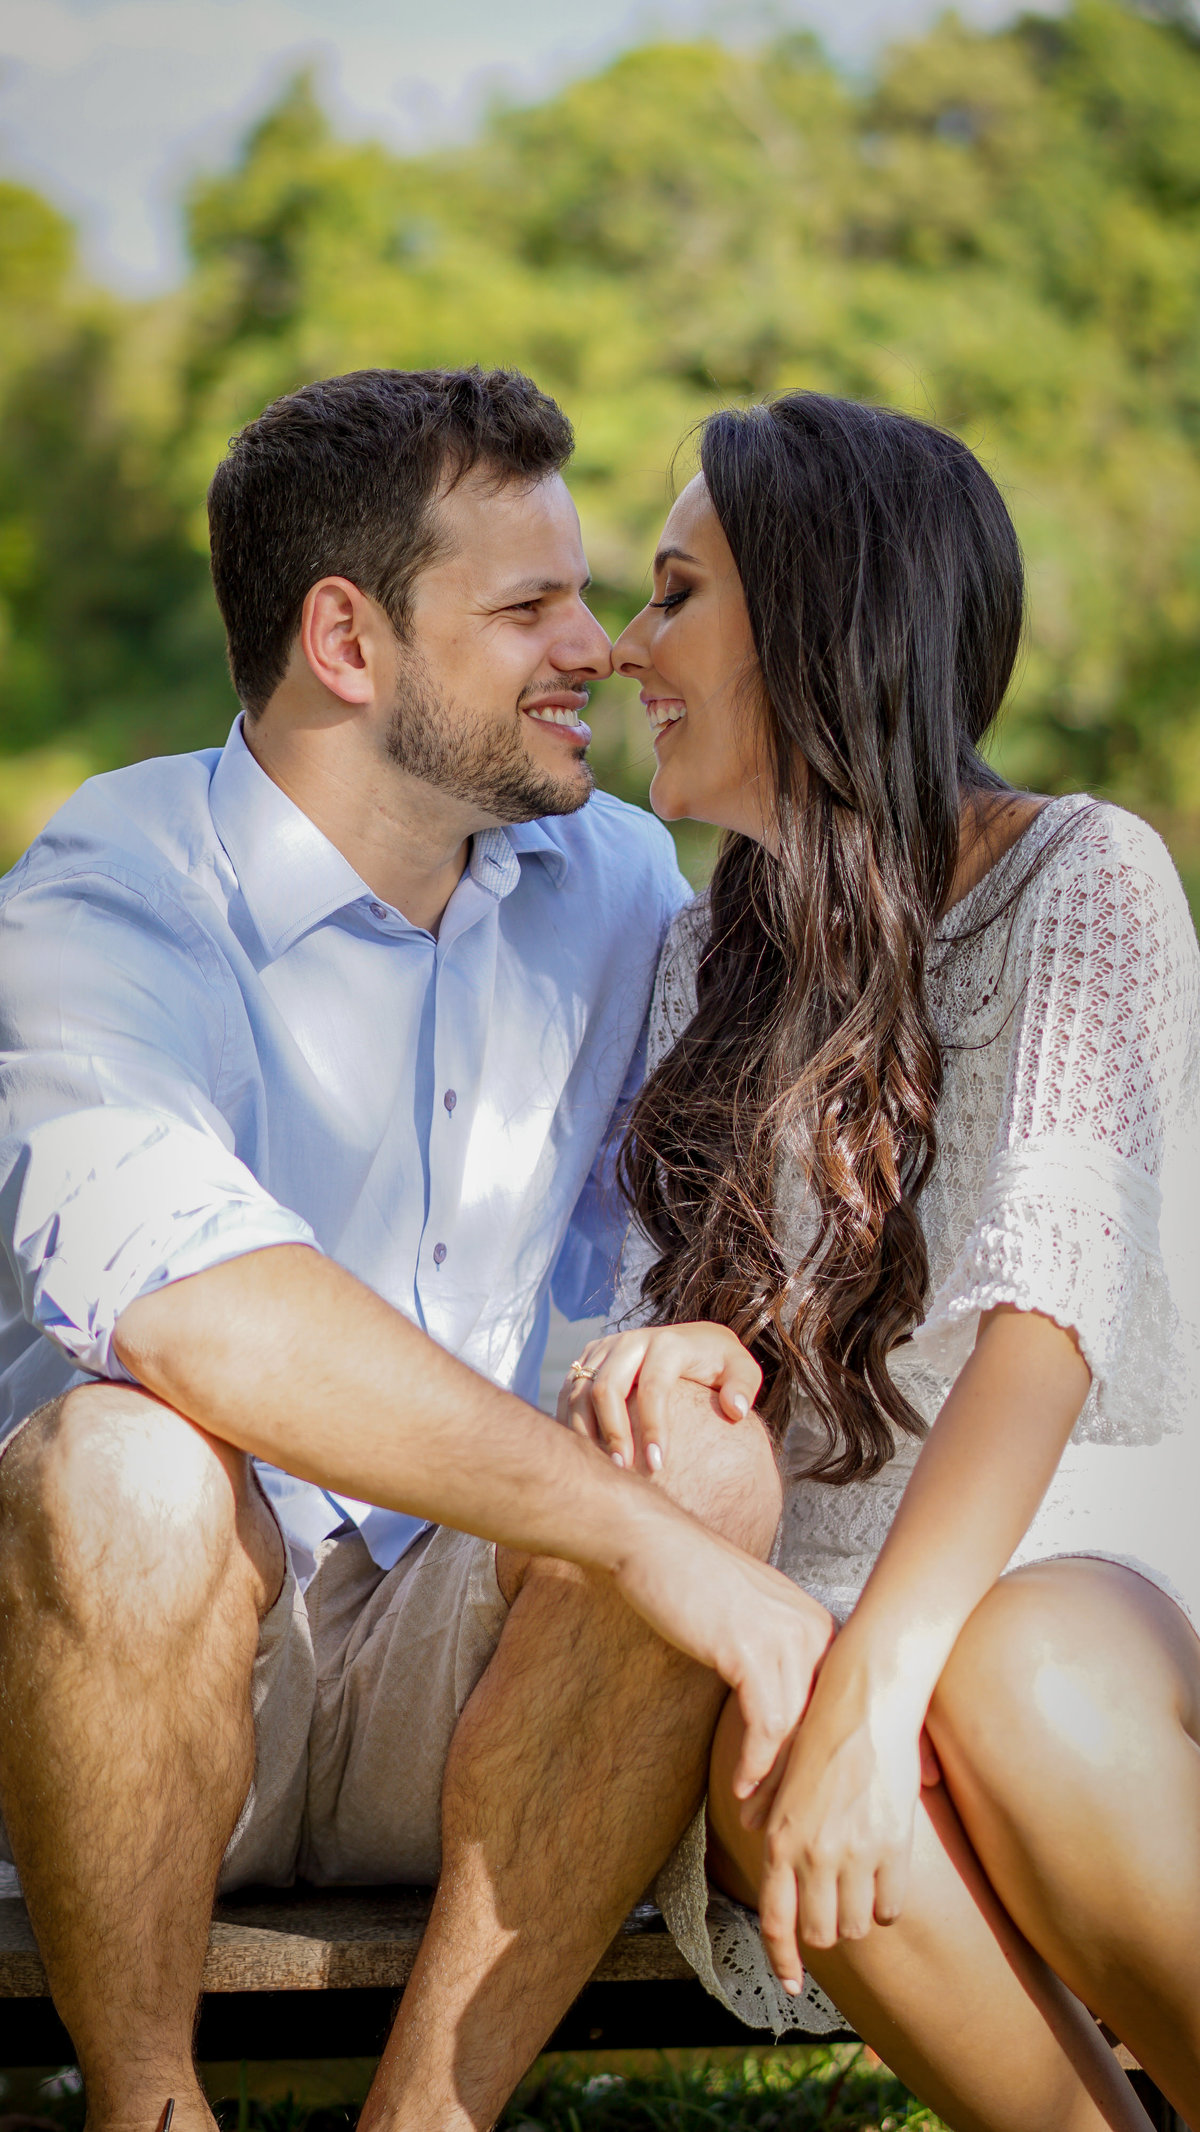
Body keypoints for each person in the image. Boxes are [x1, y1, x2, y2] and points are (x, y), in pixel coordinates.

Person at [0, 367, 836, 2132]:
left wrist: (682, 1393)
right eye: (529, 604)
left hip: (467, 1700)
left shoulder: (621, 881)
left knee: (697, 1446)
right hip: (142, 1689)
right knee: (125, 1458)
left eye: (592, 594)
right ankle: (144, 2109)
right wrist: (651, 1550)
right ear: (348, 643)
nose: (599, 647)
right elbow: (201, 1311)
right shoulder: (108, 891)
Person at [564, 391, 1200, 2132]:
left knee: (1021, 1678)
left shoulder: (1087, 877)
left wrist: (888, 1684)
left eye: (676, 593)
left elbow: (1043, 1317)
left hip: (1077, 1584)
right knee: (782, 1738)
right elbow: (661, 1321)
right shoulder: (713, 955)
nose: (628, 647)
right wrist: (654, 1358)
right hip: (839, 1606)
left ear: (822, 622)